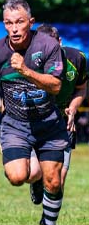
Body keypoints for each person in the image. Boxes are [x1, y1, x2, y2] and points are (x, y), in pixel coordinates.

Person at [0, 0, 69, 225]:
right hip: (14, 124)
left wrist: (25, 70)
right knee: (17, 177)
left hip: (49, 123)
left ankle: (48, 223)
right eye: (8, 23)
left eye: (19, 22)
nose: (14, 28)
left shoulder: (48, 46)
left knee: (54, 181)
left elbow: (56, 86)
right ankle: (35, 179)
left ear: (30, 22)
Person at [29, 24, 88, 205]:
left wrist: (73, 107)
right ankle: (37, 181)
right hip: (34, 121)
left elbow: (81, 89)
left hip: (63, 122)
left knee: (58, 181)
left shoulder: (77, 58)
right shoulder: (28, 62)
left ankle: (47, 221)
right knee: (34, 173)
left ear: (60, 42)